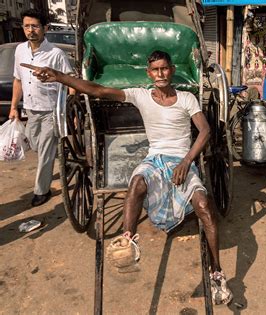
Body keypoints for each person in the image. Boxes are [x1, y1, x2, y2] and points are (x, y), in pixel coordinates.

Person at [21, 50, 233, 305]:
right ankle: (128, 240)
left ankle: (216, 272)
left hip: (181, 160)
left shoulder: (187, 98)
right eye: (155, 70)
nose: (160, 74)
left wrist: (187, 162)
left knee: (203, 206)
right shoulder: (140, 95)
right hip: (155, 160)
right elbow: (98, 91)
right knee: (136, 182)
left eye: (164, 69)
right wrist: (58, 77)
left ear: (172, 70)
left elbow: (205, 130)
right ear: (149, 73)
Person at [9, 9, 73, 207]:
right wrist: (14, 108)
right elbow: (17, 80)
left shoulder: (56, 54)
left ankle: (41, 190)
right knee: (35, 145)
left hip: (50, 110)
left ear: (45, 28)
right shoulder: (20, 50)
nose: (31, 30)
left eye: (35, 26)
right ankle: (65, 158)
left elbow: (70, 83)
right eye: (27, 26)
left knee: (45, 151)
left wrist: (70, 111)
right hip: (30, 110)